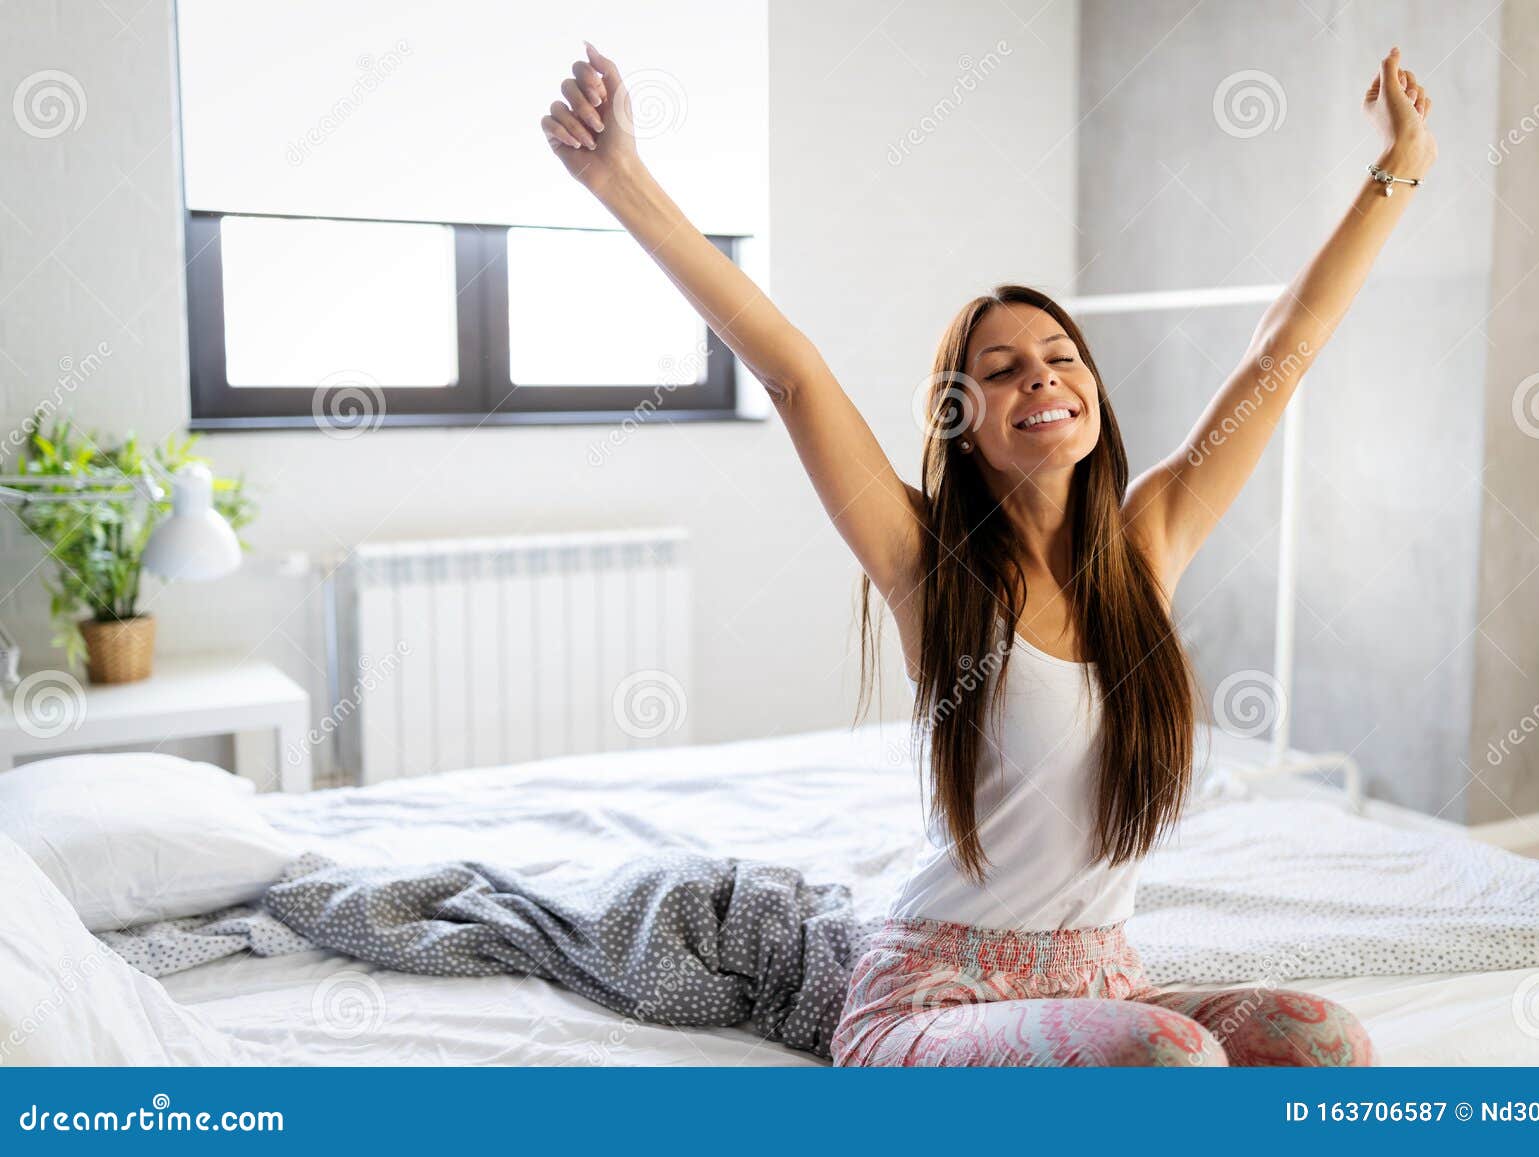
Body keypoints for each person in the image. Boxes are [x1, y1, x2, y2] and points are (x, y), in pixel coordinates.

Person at [543, 42, 1435, 1066]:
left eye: (1061, 357)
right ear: (961, 420)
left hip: (1102, 979)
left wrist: (1400, 162)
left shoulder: (1148, 541)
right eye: (1002, 369)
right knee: (1170, 1057)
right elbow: (792, 374)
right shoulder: (930, 563)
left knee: (1325, 1038)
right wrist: (620, 180)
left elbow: (1288, 345)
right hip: (928, 989)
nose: (1043, 379)